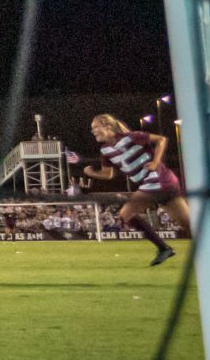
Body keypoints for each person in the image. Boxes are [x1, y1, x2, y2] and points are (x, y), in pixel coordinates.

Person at [78, 114, 191, 266]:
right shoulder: (105, 150)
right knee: (189, 225)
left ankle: (164, 248)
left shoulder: (132, 137)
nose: (93, 131)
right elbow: (109, 174)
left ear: (107, 126)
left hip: (156, 181)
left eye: (95, 127)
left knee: (125, 214)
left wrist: (155, 163)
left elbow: (161, 139)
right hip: (165, 183)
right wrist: (92, 174)